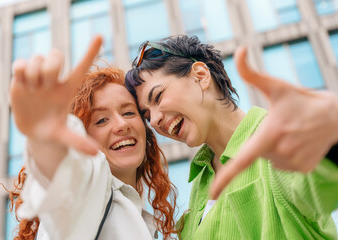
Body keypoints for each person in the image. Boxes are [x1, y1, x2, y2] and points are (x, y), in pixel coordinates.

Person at [125, 35, 338, 239]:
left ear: (200, 76)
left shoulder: (275, 145)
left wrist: (330, 133)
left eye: (158, 96)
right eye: (147, 115)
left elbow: (319, 183)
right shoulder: (200, 183)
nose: (154, 121)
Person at [8, 36, 178, 240]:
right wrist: (46, 138)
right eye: (101, 120)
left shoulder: (144, 220)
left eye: (129, 113)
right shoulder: (86, 189)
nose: (122, 125)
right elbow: (62, 171)